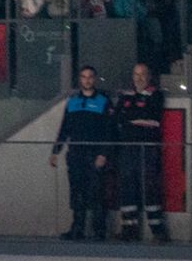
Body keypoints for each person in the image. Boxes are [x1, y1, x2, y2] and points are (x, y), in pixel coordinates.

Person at [49, 65, 115, 241]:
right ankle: (77, 228)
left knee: (96, 192)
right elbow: (65, 127)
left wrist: (103, 154)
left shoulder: (103, 100)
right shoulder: (72, 101)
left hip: (94, 154)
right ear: (80, 79)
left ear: (95, 79)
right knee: (77, 192)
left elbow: (110, 130)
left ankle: (98, 230)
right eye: (84, 77)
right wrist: (56, 150)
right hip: (76, 153)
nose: (87, 80)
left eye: (90, 77)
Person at [114, 62, 168, 242]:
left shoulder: (155, 95)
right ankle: (129, 229)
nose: (139, 78)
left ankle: (157, 230)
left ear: (149, 76)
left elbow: (152, 117)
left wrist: (130, 118)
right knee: (128, 186)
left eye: (143, 74)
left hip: (148, 148)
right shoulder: (125, 96)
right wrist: (135, 117)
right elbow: (118, 117)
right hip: (128, 148)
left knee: (150, 186)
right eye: (136, 74)